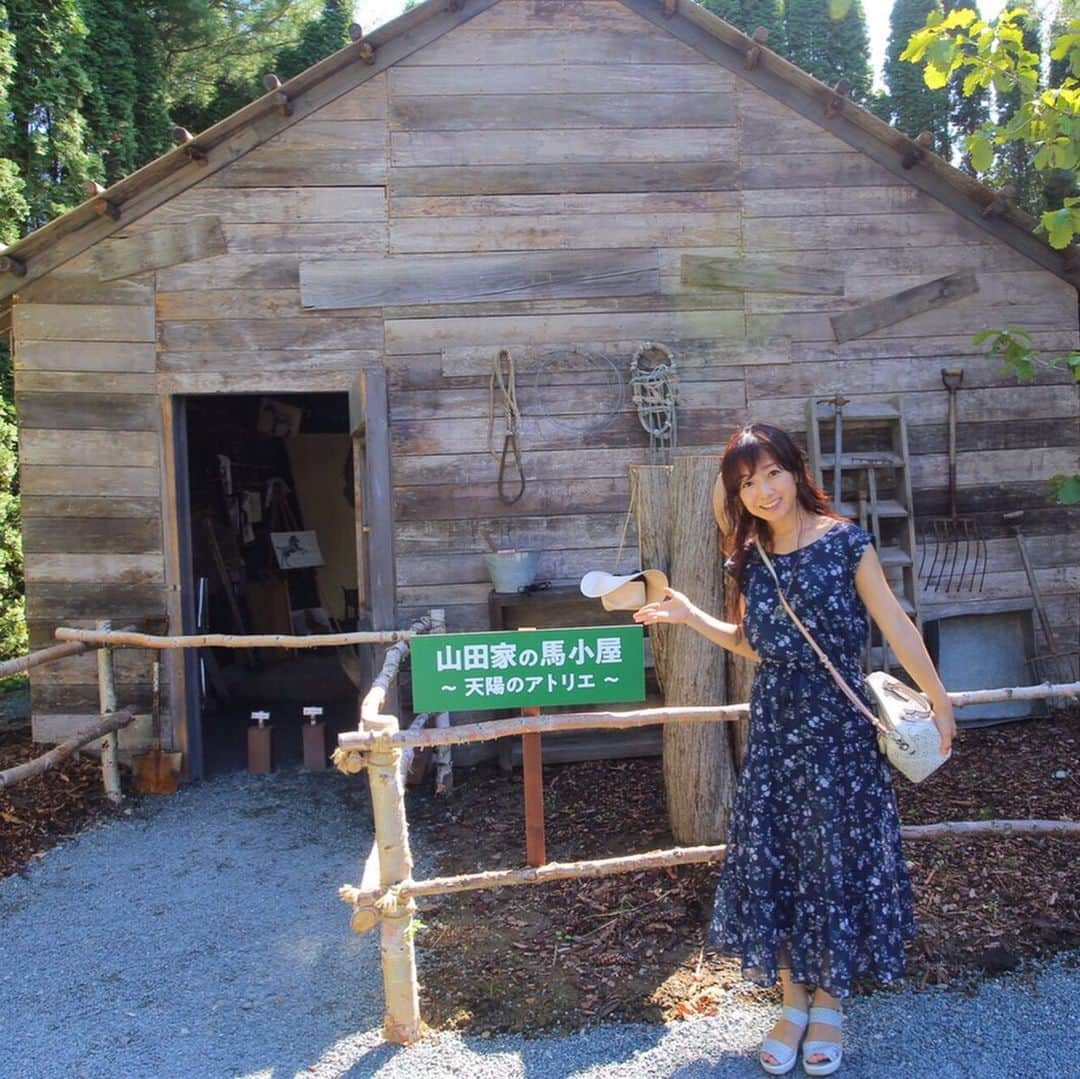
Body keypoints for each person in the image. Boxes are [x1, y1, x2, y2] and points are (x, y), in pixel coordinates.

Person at [634, 422, 955, 1077]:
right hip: (777, 731)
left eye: (771, 473)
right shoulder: (754, 556)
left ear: (794, 468)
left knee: (832, 860)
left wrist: (940, 699)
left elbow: (894, 624)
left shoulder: (846, 543)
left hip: (838, 733)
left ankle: (829, 1001)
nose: (762, 491)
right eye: (746, 482)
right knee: (779, 859)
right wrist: (693, 616)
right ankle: (791, 1001)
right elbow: (760, 645)